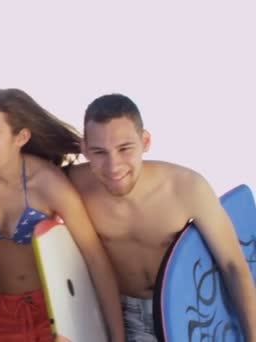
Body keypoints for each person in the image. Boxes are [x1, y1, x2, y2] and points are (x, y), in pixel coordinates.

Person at [68, 93, 256, 341]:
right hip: (123, 314)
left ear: (145, 141)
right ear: (84, 149)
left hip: (190, 313)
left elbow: (234, 265)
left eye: (125, 149)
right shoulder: (71, 185)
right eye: (99, 152)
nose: (113, 166)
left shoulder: (186, 187)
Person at [0, 88, 125, 342]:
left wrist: (117, 337)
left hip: (55, 309)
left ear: (21, 137)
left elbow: (96, 260)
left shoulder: (48, 184)